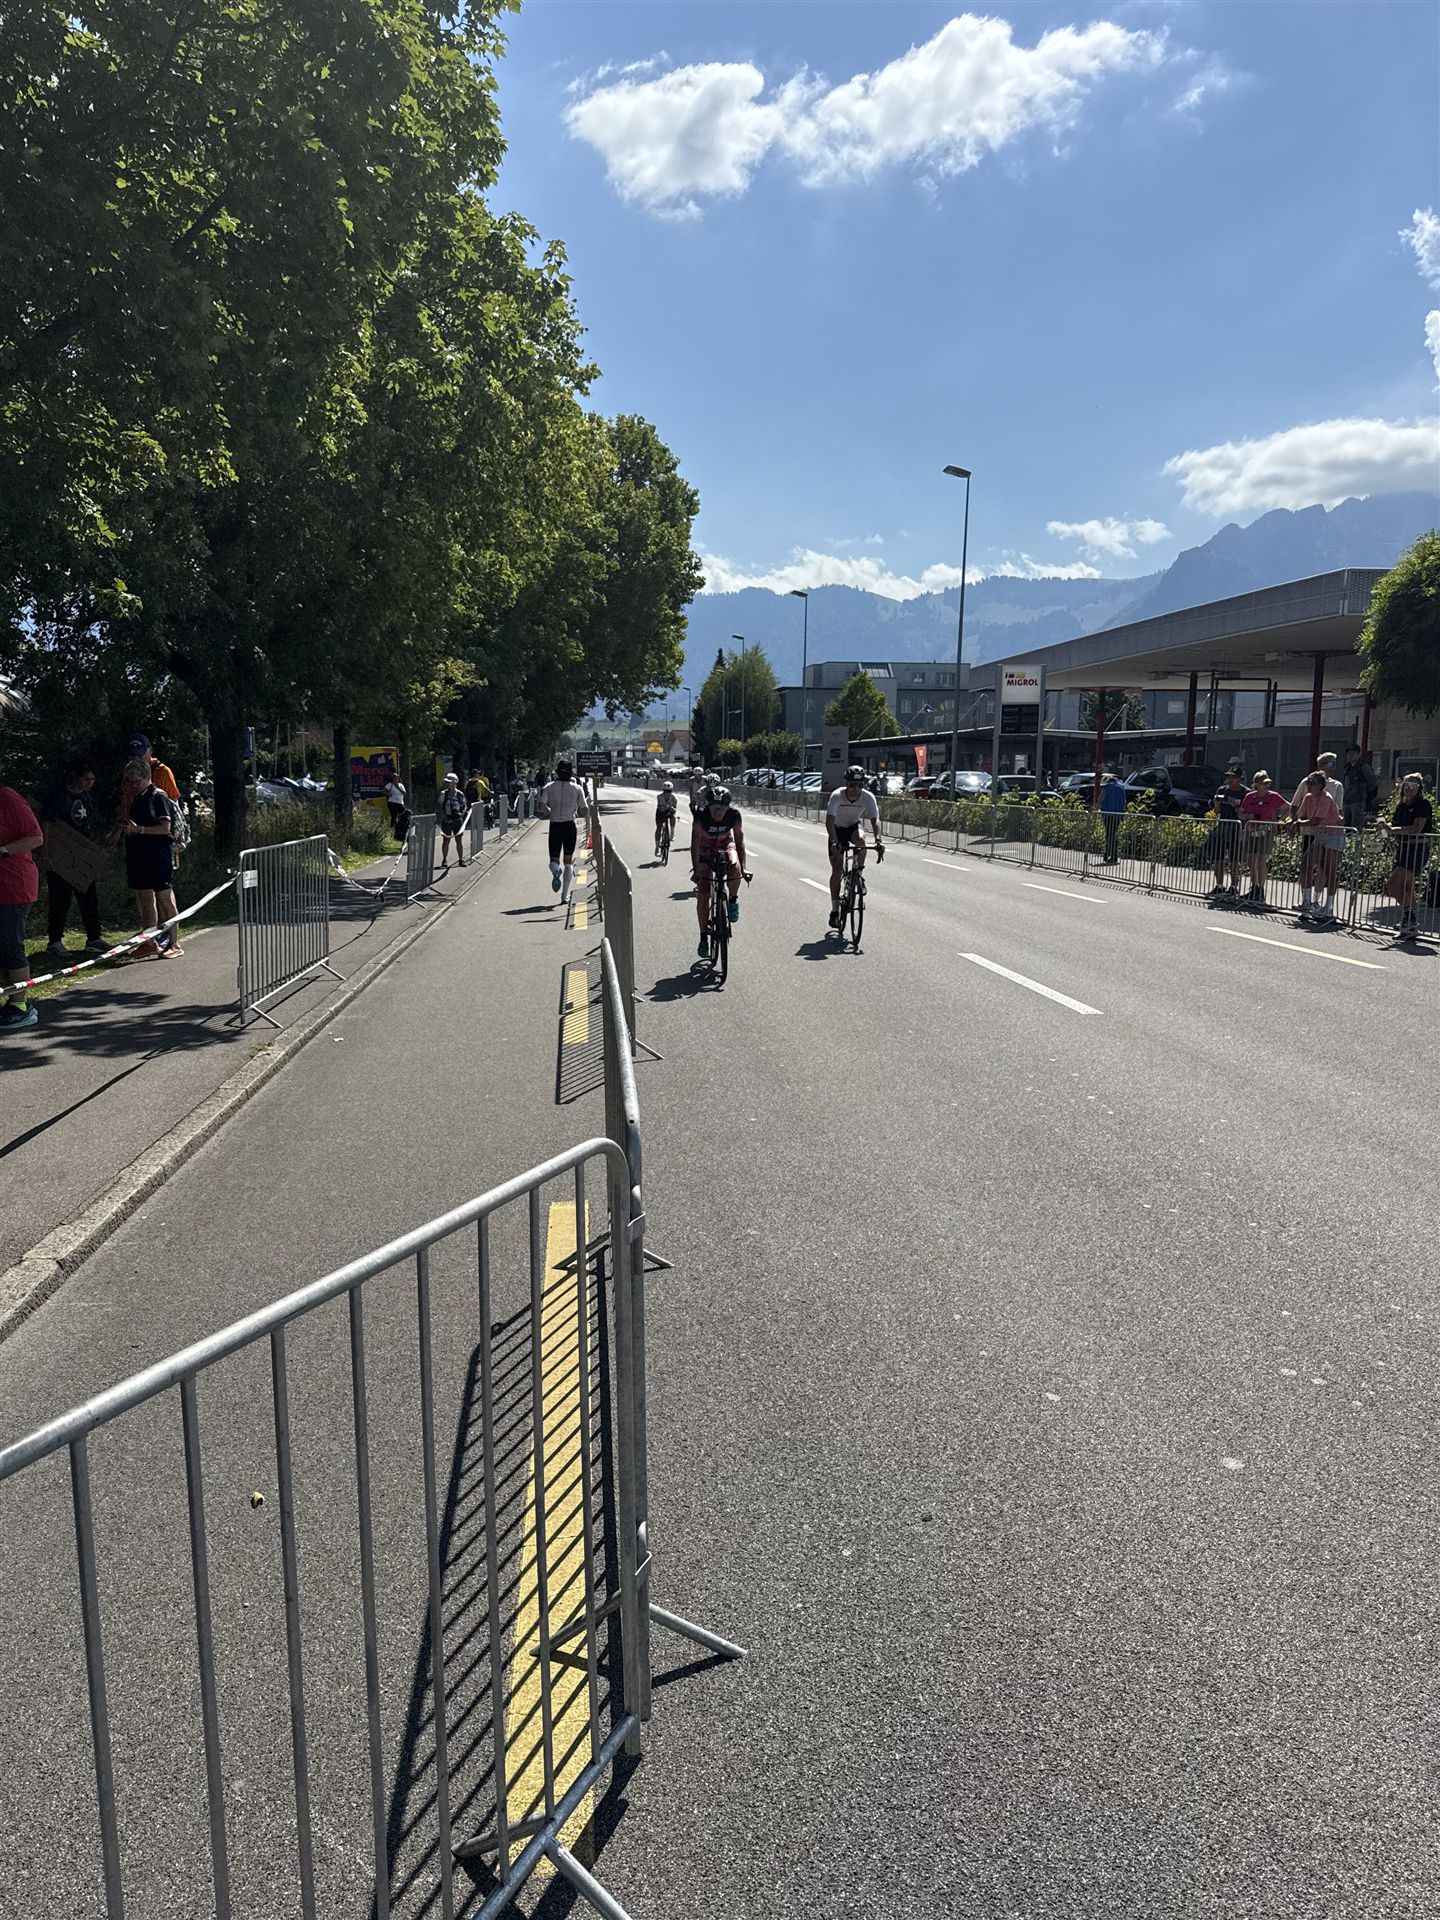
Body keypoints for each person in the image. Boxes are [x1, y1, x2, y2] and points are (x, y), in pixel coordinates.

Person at [41, 755, 108, 960]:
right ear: (77, 777)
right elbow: (47, 824)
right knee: (60, 899)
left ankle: (94, 938)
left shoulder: (87, 798)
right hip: (61, 855)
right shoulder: (59, 796)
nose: (89, 783)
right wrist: (46, 853)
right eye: (86, 779)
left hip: (81, 855)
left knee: (89, 897)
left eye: (92, 780)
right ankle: (55, 941)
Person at [115, 757, 183, 958]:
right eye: (131, 782)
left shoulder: (157, 797)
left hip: (158, 857)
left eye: (137, 781)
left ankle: (174, 943)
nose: (134, 785)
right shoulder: (136, 797)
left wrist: (141, 830)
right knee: (145, 899)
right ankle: (149, 941)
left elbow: (165, 828)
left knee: (165, 899)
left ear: (147, 777)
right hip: (140, 856)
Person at [0, 780, 44, 1033]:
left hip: (14, 885)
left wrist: (3, 850)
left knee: (10, 944)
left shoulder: (7, 798)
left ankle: (20, 1005)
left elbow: (36, 838)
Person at [691, 785, 748, 959]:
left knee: (735, 866)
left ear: (727, 807)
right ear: (708, 806)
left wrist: (744, 868)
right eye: (714, 808)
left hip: (725, 845)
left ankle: (733, 900)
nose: (717, 812)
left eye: (721, 808)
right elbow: (695, 844)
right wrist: (696, 870)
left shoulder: (734, 815)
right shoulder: (701, 815)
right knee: (703, 892)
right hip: (705, 848)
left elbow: (739, 842)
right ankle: (703, 938)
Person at [825, 766, 884, 929]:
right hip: (837, 830)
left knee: (861, 840)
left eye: (859, 785)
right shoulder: (837, 795)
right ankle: (835, 910)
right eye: (852, 785)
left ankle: (858, 873)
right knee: (837, 870)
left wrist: (878, 840)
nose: (855, 789)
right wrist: (834, 842)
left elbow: (875, 821)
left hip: (852, 827)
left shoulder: (868, 797)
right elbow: (829, 821)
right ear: (846, 784)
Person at [1382, 771, 1434, 940]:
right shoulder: (1401, 806)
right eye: (1407, 785)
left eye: (1414, 786)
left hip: (1417, 849)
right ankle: (1410, 923)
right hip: (1403, 848)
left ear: (1419, 788)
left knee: (1393, 885)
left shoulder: (1423, 804)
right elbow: (1394, 824)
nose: (1409, 789)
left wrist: (1393, 830)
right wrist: (1384, 826)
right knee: (1406, 887)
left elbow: (1416, 828)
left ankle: (1409, 919)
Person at [1293, 769, 1344, 925]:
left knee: (1329, 870)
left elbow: (1315, 820)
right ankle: (1306, 901)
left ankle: (1328, 906)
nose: (1308, 786)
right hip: (1320, 834)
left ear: (1321, 785)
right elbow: (1301, 816)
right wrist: (1295, 822)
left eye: (1312, 783)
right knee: (1306, 864)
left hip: (1334, 834)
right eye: (1308, 783)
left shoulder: (1326, 798)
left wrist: (1298, 824)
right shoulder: (1308, 797)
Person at [539, 759, 588, 903]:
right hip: (569, 825)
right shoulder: (577, 788)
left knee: (554, 859)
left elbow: (541, 806)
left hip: (555, 825)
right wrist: (578, 812)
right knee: (568, 861)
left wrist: (550, 810)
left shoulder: (549, 787)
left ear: (557, 772)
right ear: (571, 772)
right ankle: (565, 896)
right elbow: (584, 810)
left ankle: (555, 871)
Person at [1239, 770, 1288, 906]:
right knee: (1250, 859)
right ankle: (1254, 887)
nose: (1266, 786)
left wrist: (1279, 820)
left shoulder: (1273, 796)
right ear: (1256, 784)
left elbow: (1288, 807)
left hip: (1266, 831)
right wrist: (1249, 816)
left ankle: (1260, 889)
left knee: (1261, 859)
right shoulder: (1249, 797)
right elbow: (1241, 814)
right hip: (1251, 830)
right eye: (1263, 783)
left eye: (1267, 783)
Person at [1207, 767, 1249, 900]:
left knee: (1234, 859)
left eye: (1233, 777)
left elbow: (1246, 812)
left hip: (1237, 828)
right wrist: (1216, 803)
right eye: (1229, 777)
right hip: (1223, 826)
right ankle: (1219, 885)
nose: (1230, 780)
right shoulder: (1222, 790)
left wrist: (1235, 806)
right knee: (1218, 857)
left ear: (1239, 779)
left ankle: (1234, 886)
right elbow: (1216, 811)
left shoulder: (1246, 793)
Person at [1292, 751, 1343, 816]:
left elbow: (1339, 810)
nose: (1333, 767)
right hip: (1306, 820)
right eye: (1330, 764)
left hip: (1327, 821)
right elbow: (1294, 804)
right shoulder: (1306, 782)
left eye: (1335, 764)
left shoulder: (1337, 785)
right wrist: (1295, 819)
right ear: (1320, 765)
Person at [437, 772, 469, 871]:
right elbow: (439, 807)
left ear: (455, 783)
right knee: (446, 840)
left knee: (459, 840)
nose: (447, 784)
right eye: (446, 782)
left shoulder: (460, 794)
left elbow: (464, 805)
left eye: (449, 782)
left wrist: (461, 813)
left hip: (457, 820)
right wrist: (444, 815)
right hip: (447, 819)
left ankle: (461, 859)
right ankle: (444, 860)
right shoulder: (443, 794)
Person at [1342, 746, 1378, 831]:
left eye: (1353, 753)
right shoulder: (1347, 767)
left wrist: (1368, 797)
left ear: (1358, 754)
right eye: (1349, 753)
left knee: (1356, 827)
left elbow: (1372, 782)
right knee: (1346, 826)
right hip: (1347, 800)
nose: (1350, 756)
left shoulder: (1364, 767)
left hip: (1358, 801)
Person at [1099, 771, 1126, 863]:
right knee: (1113, 834)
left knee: (1109, 834)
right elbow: (1124, 801)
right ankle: (1111, 854)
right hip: (1118, 814)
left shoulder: (1106, 788)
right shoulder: (1121, 788)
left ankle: (1109, 854)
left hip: (1108, 813)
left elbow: (1101, 799)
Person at [654, 780, 678, 858]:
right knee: (659, 828)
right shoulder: (659, 797)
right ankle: (657, 847)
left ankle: (672, 832)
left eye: (669, 791)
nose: (667, 793)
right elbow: (660, 808)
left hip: (669, 811)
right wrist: (668, 807)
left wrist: (671, 809)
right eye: (665, 791)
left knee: (673, 816)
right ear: (663, 791)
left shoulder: (674, 798)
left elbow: (674, 809)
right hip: (660, 812)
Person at [384, 772, 410, 841]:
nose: (395, 779)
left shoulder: (401, 785)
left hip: (400, 803)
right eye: (394, 778)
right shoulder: (390, 785)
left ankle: (402, 829)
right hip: (392, 802)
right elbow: (383, 791)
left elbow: (404, 793)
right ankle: (393, 832)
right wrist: (388, 794)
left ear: (398, 779)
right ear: (392, 779)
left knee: (405, 814)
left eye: (397, 778)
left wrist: (398, 787)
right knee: (394, 816)